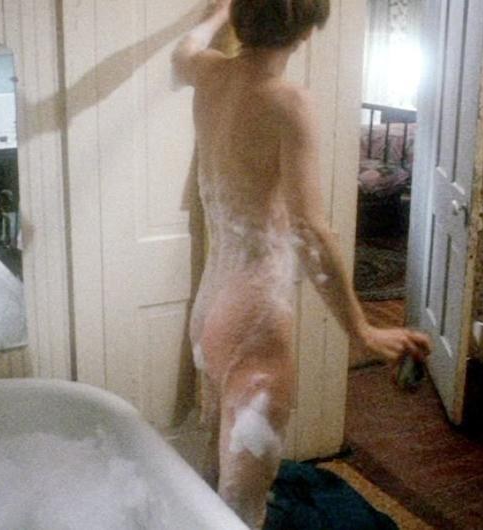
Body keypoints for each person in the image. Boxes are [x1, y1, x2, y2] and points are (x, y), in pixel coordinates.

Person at [172, 1, 431, 527]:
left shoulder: (209, 74)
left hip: (211, 310)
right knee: (242, 506)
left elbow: (183, 50)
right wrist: (361, 330)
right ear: (307, 32)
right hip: (256, 320)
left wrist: (219, 11)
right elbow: (309, 229)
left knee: (217, 470)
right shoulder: (287, 101)